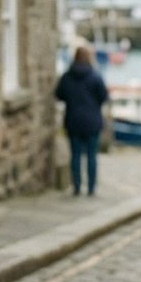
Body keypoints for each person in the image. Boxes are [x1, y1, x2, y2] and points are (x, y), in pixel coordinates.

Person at [54, 42, 109, 196]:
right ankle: (91, 188)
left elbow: (59, 95)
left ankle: (77, 186)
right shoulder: (95, 76)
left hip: (73, 120)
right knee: (91, 155)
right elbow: (104, 97)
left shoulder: (66, 76)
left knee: (76, 155)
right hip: (92, 121)